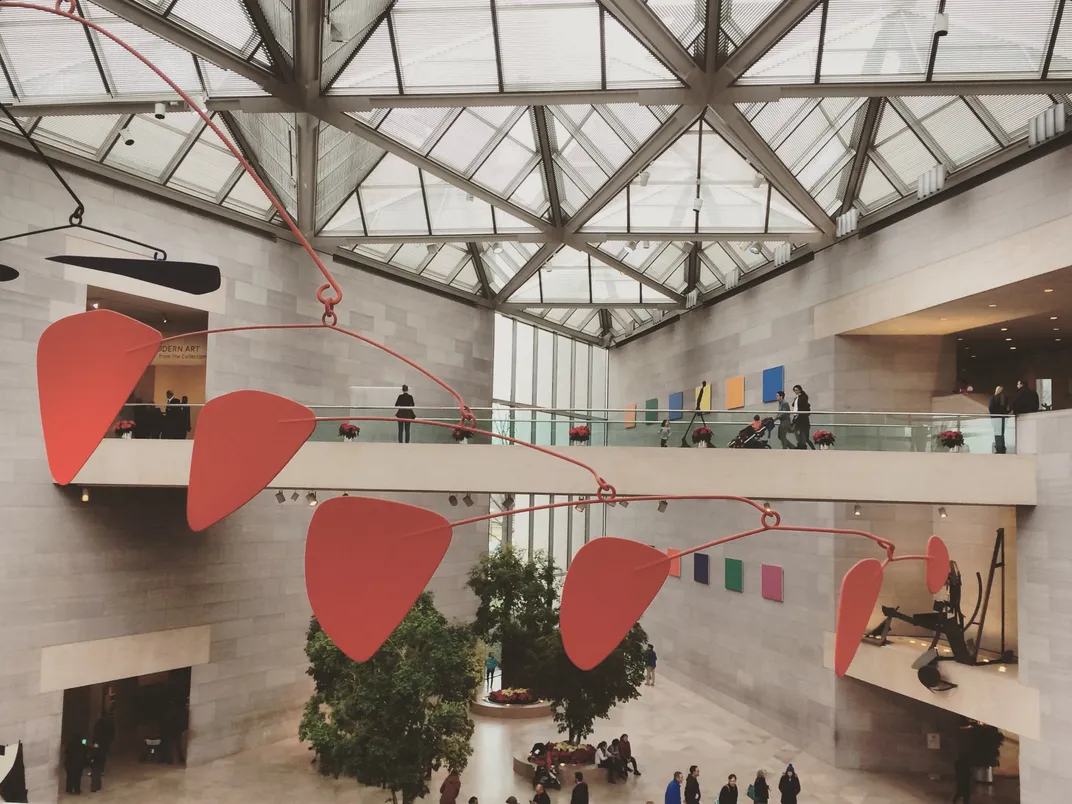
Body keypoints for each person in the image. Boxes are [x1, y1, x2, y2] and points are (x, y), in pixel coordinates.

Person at [790, 386, 813, 450]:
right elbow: (794, 405)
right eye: (794, 390)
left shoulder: (803, 397)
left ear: (800, 390)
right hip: (797, 417)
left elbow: (802, 406)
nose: (795, 391)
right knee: (796, 430)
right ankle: (800, 444)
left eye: (796, 390)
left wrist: (798, 415)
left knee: (804, 435)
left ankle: (804, 445)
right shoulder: (796, 398)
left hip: (801, 417)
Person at [989, 385, 1008, 454]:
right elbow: (1006, 408)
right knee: (1002, 433)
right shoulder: (1004, 398)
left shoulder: (993, 398)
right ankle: (1002, 448)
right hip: (1003, 418)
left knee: (997, 433)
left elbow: (991, 408)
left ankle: (999, 448)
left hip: (995, 418)